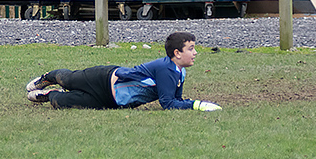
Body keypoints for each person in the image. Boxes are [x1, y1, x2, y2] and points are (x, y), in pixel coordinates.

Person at [26, 31, 221, 111]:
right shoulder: (165, 69)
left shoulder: (179, 72)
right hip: (104, 79)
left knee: (64, 102)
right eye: (191, 48)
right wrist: (198, 105)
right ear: (177, 53)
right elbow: (168, 103)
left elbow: (175, 98)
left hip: (112, 101)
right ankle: (47, 78)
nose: (195, 53)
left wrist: (190, 104)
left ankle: (51, 95)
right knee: (67, 79)